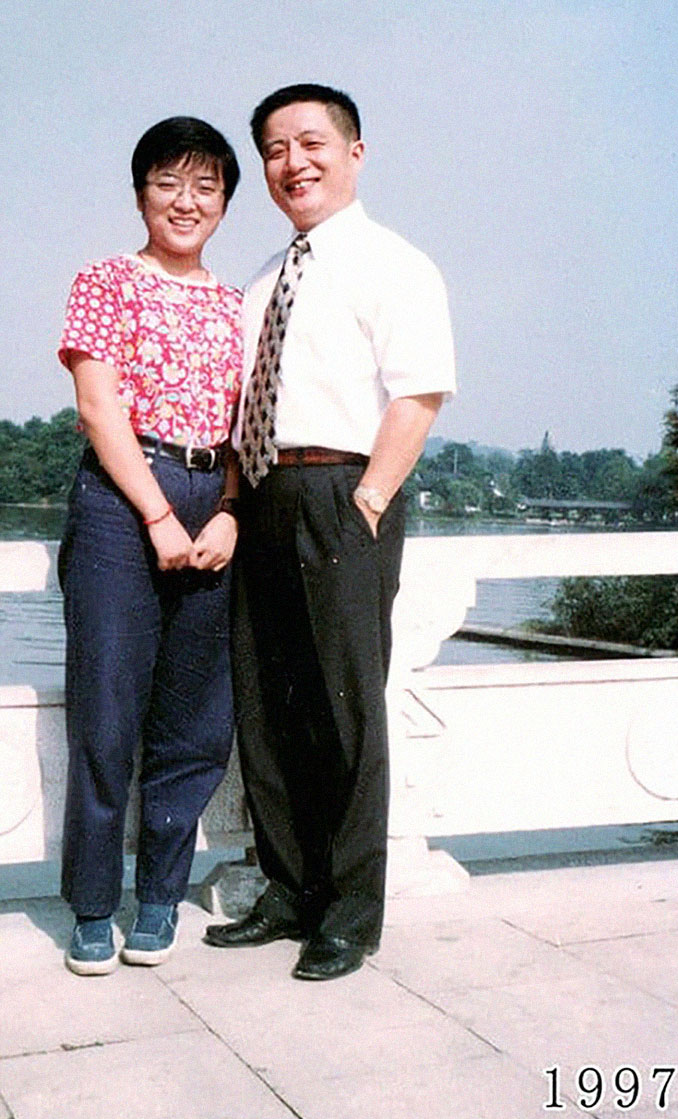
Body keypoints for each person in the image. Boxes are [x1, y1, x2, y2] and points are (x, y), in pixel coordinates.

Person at [205, 84, 456, 980]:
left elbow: (418, 393)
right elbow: (240, 409)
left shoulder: (396, 264)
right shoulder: (262, 280)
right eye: (274, 149)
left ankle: (350, 912)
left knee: (346, 708)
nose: (292, 163)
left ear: (355, 151)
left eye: (310, 142)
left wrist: (370, 500)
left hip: (344, 491)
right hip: (264, 496)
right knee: (267, 704)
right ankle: (288, 889)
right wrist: (234, 504)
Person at [58, 117, 243, 975]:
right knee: (106, 710)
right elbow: (101, 410)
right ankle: (94, 907)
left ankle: (160, 898)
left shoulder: (238, 305)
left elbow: (252, 428)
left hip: (215, 502)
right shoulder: (104, 281)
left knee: (194, 718)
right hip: (121, 503)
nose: (186, 201)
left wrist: (230, 511)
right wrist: (158, 516)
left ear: (224, 206)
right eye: (170, 182)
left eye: (206, 187)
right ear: (141, 193)